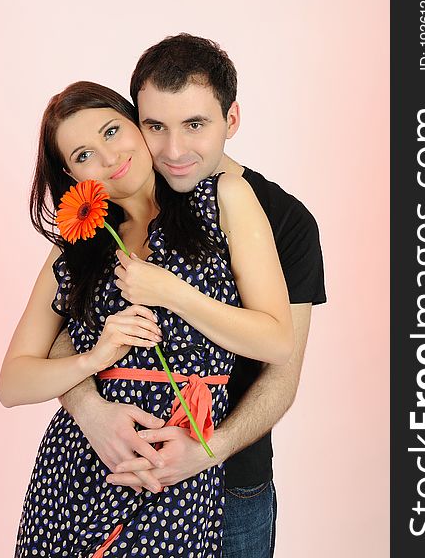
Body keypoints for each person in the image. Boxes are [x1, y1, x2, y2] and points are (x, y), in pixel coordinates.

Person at [48, 34, 327, 557]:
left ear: (233, 119)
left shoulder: (284, 219)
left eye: (195, 125)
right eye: (155, 126)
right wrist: (89, 409)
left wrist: (206, 452)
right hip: (119, 470)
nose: (174, 151)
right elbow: (68, 334)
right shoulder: (122, 201)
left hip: (233, 479)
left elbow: (281, 373)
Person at [0, 80, 294, 557]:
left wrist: (171, 293)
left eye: (112, 131)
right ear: (74, 177)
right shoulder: (75, 247)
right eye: (84, 155)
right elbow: (11, 384)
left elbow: (278, 342)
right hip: (80, 469)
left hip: (178, 474)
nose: (109, 158)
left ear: (138, 123)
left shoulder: (222, 199)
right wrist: (92, 362)